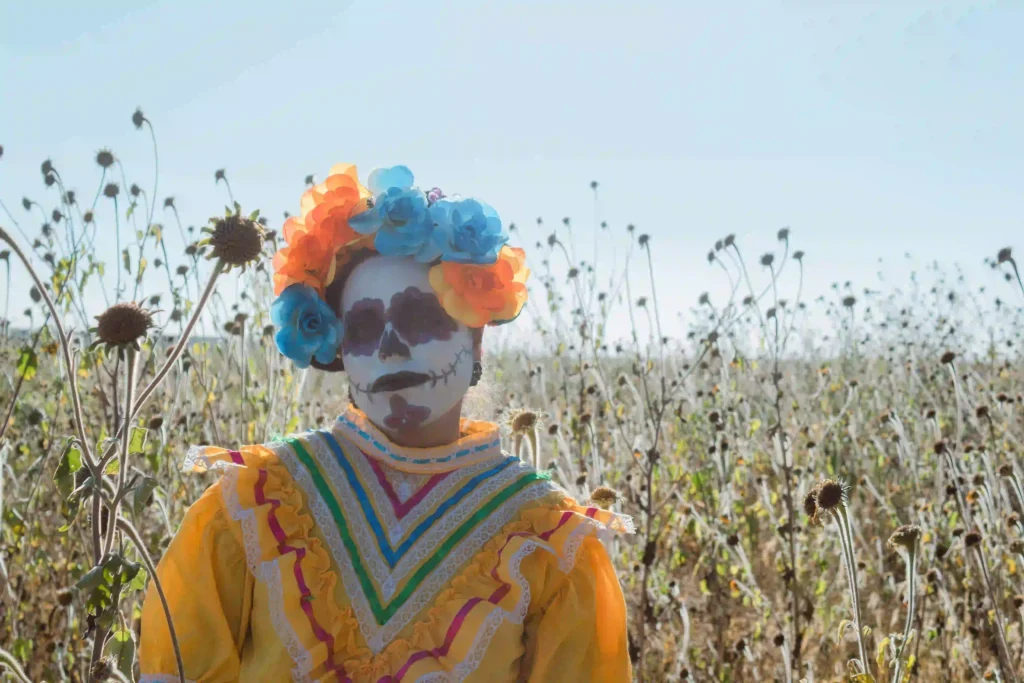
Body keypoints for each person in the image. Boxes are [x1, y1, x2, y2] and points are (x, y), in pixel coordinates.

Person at [139, 164, 634, 682]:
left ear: (475, 342)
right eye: (364, 327)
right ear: (337, 349)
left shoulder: (548, 540)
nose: (390, 347)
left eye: (420, 319)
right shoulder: (255, 505)